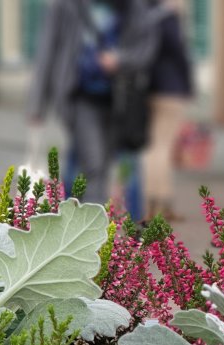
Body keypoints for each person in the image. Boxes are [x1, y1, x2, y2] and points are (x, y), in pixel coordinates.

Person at [29, 0, 164, 204]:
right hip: (79, 96)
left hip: (121, 100)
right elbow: (47, 53)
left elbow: (145, 49)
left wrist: (120, 60)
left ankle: (84, 218)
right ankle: (93, 222)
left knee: (101, 165)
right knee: (94, 164)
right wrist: (37, 104)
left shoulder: (133, 8)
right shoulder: (65, 7)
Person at [141, 0, 193, 221]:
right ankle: (160, 202)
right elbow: (180, 54)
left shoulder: (143, 15)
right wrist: (189, 86)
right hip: (170, 90)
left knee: (152, 146)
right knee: (162, 147)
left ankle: (152, 203)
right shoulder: (167, 18)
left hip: (148, 89)